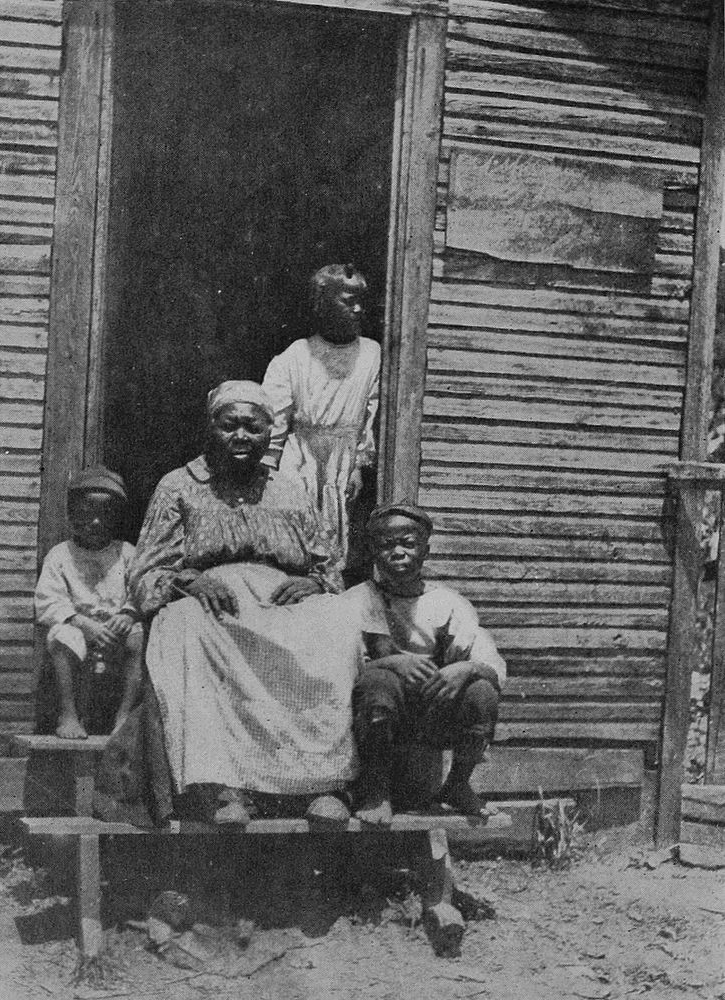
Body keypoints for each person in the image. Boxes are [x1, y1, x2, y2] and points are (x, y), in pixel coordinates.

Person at [100, 380, 362, 827]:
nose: (241, 436)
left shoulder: (289, 489)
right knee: (184, 626)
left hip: (281, 604)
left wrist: (313, 583)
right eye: (229, 425)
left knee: (338, 621)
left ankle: (324, 783)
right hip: (209, 605)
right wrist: (188, 580)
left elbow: (329, 562)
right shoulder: (179, 486)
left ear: (269, 433)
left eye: (253, 427)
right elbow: (145, 571)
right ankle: (223, 789)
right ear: (211, 429)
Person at [343, 502, 506, 826]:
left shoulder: (448, 603)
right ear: (373, 551)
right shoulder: (356, 600)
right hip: (376, 718)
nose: (398, 553)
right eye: (387, 545)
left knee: (481, 691)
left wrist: (466, 669)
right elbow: (339, 666)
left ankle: (457, 785)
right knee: (379, 683)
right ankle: (376, 792)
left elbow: (491, 665)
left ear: (425, 551)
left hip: (433, 715)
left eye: (408, 543)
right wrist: (391, 663)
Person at [261, 264, 380, 567]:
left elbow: (372, 414)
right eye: (347, 301)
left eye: (360, 301)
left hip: (344, 460)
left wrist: (358, 465)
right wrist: (269, 472)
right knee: (295, 531)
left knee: (338, 538)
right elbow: (274, 419)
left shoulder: (372, 354)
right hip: (301, 457)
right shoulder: (296, 355)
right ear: (323, 303)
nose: (357, 309)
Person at [34, 467, 144, 739]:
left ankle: (123, 717)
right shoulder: (61, 555)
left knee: (138, 637)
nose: (95, 522)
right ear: (72, 515)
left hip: (115, 631)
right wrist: (81, 623)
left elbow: (141, 589)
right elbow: (49, 600)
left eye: (105, 515)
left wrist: (128, 614)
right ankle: (69, 715)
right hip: (80, 628)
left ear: (116, 518)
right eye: (86, 514)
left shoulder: (126, 554)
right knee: (61, 636)